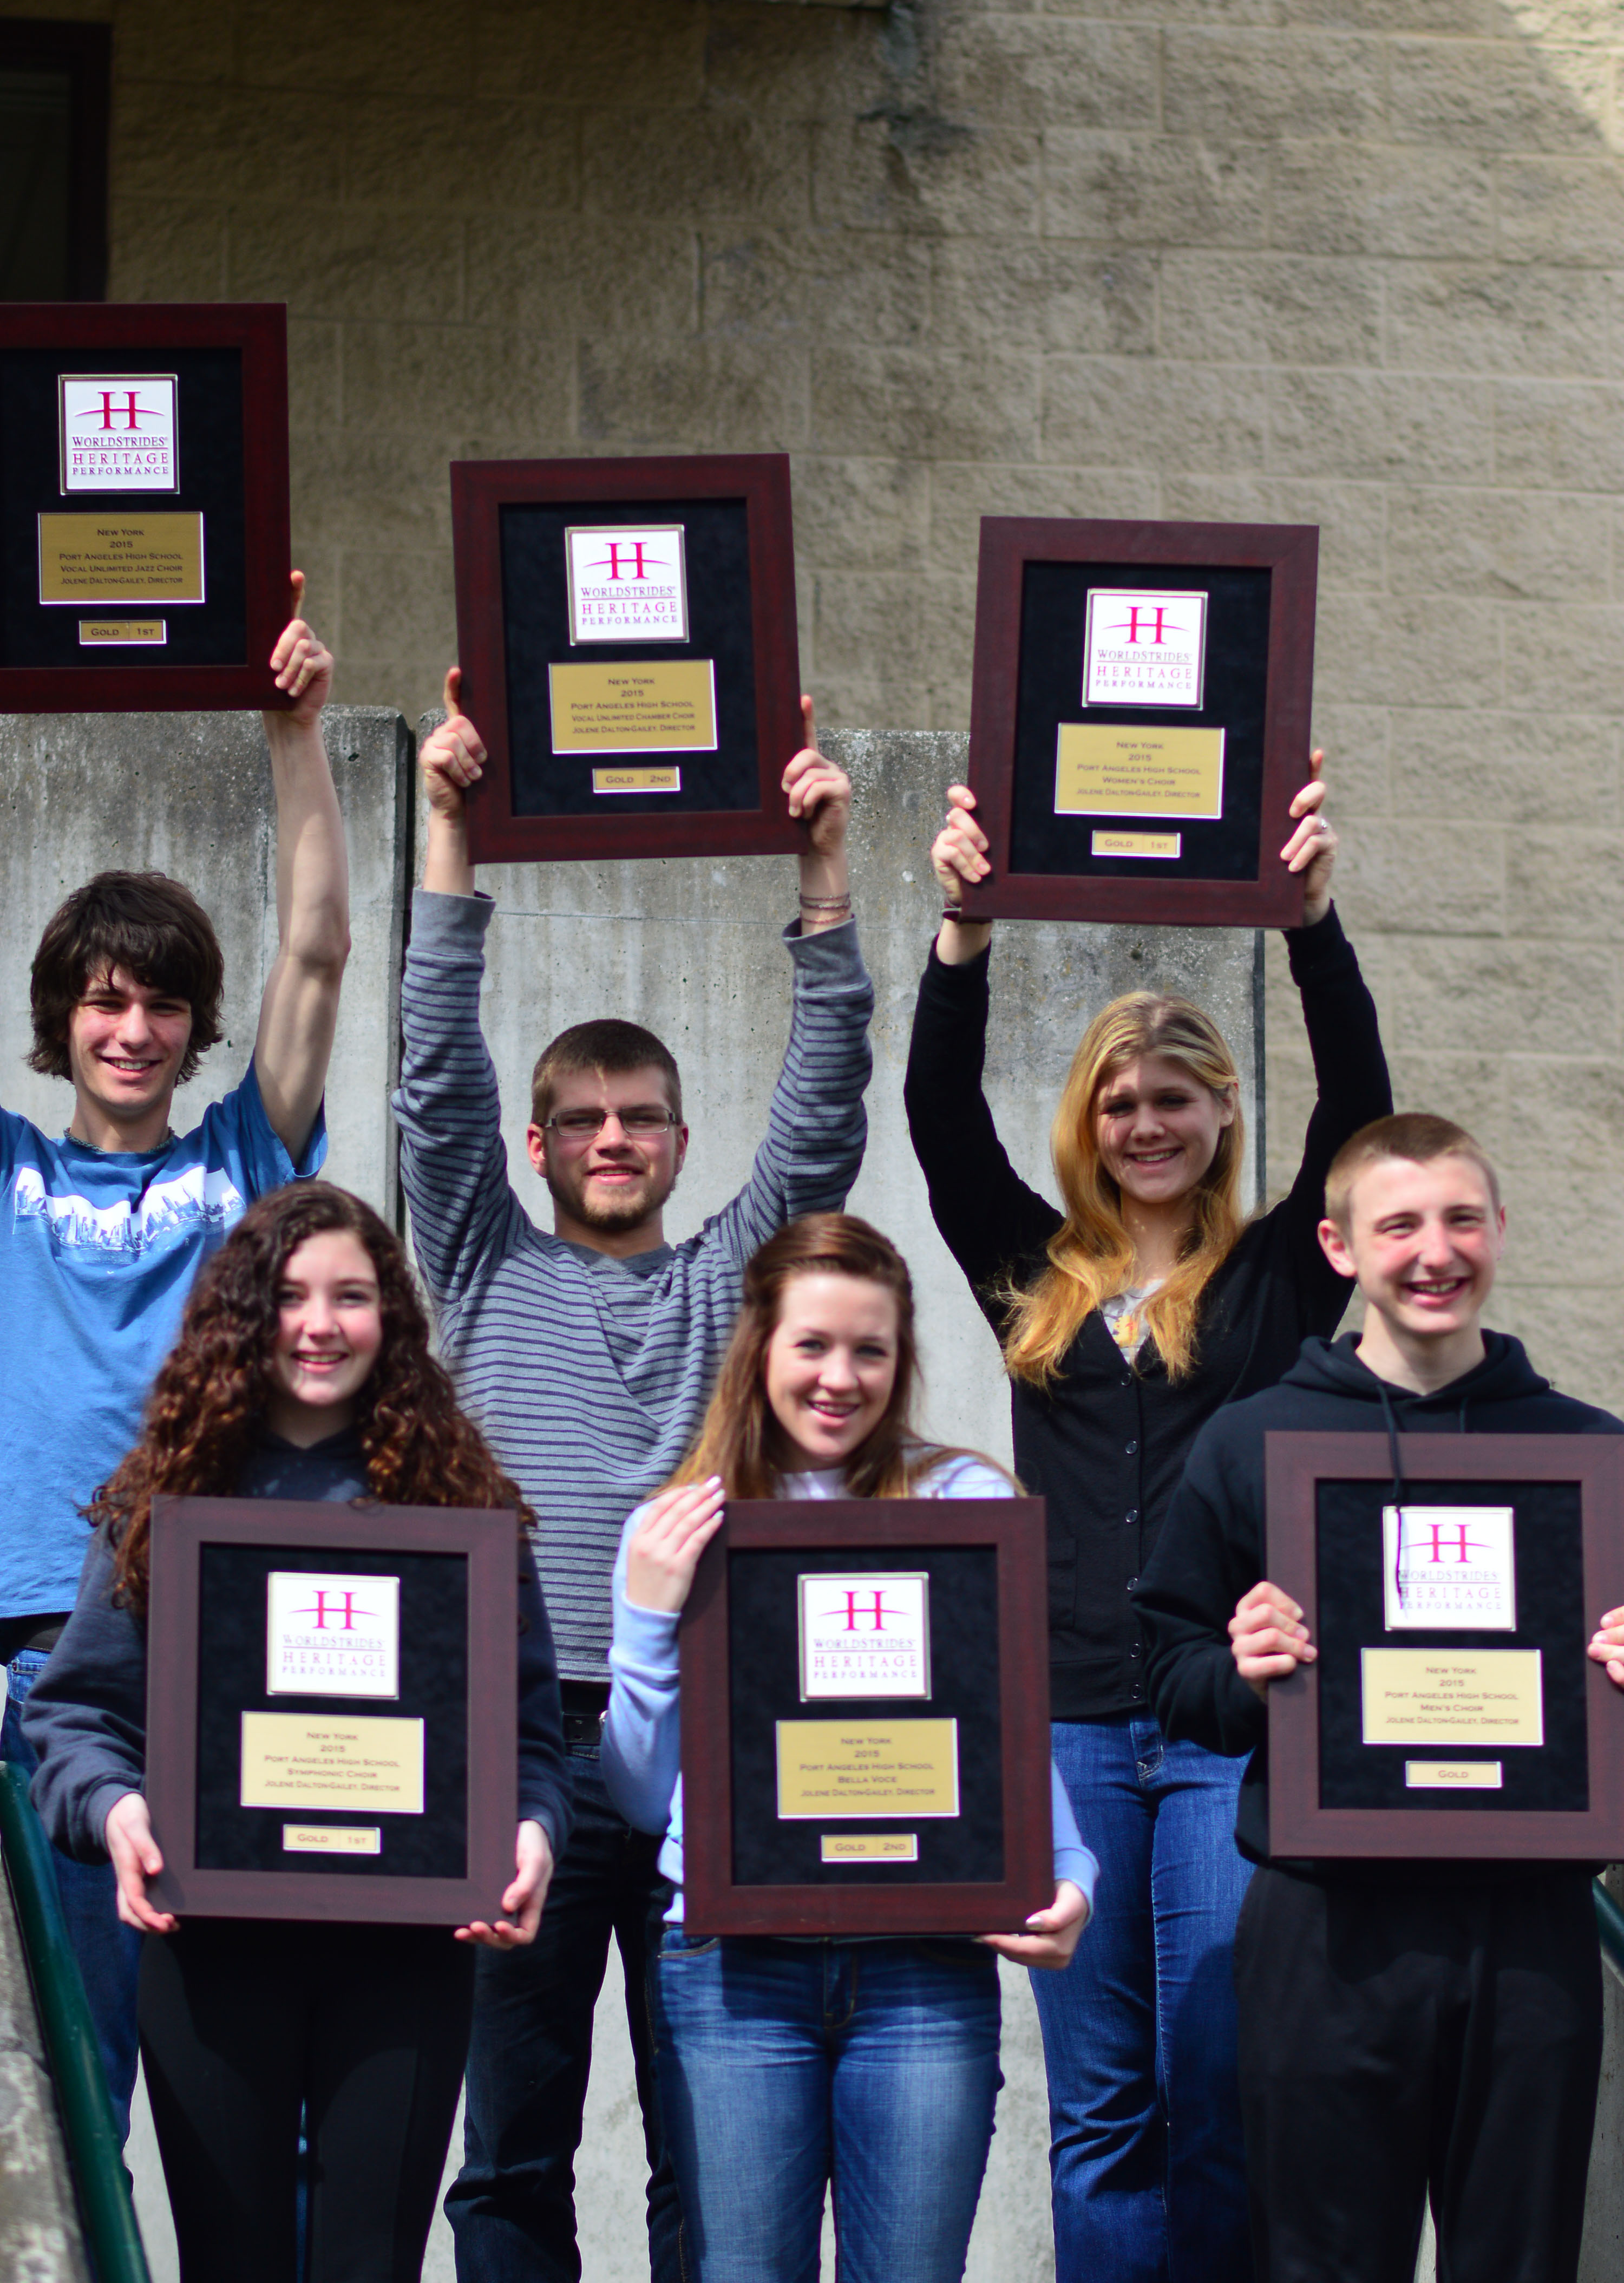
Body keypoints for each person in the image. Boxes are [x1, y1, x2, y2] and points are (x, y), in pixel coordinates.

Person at [396, 668, 874, 2282]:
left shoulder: (735, 1279)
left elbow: (821, 1115)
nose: (615, 1138)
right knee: (511, 2157)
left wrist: (824, 870)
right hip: (514, 1746)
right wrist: (450, 832)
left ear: (679, 1142)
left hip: (700, 1752)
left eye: (644, 1119)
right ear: (538, 1148)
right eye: (585, 1119)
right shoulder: (479, 1260)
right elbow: (435, 1075)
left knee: (712, 2156)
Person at [903, 757, 1390, 2283]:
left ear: (1222, 1112)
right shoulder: (1032, 1275)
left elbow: (1361, 1110)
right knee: (1103, 2108)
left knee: (1218, 2085)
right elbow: (937, 1118)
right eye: (1117, 1101)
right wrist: (962, 931)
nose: (1143, 1124)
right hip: (1064, 1729)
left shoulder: (1276, 1280)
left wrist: (1311, 926)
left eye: (1172, 1098)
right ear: (1088, 1120)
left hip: (1222, 1723)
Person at [24, 1181, 572, 2283]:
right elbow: (78, 1716)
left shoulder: (462, 1508)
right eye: (288, 1296)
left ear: (392, 1317)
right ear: (243, 1313)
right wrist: (116, 1810)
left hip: (407, 1957)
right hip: (213, 1950)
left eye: (351, 1296)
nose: (320, 1325)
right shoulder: (164, 1499)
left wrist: (532, 1832)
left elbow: (526, 1740)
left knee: (371, 2267)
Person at [1136, 1111, 1624, 2283]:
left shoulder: (1592, 1457)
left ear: (1500, 1228)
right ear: (1340, 1247)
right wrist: (1244, 1673)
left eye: (1461, 1220)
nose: (1434, 1252)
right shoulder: (1253, 1442)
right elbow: (1168, 1670)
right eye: (1399, 1225)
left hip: (1531, 1929)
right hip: (1327, 1925)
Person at [0, 573, 348, 2136]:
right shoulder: (8, 1168)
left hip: (228, 1637)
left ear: (197, 1024)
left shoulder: (241, 1162)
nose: (132, 1029)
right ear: (60, 1022)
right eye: (103, 1003)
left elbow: (319, 957)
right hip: (39, 1658)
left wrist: (295, 733)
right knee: (67, 2087)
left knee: (240, 2100)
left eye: (161, 1004)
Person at [600, 1211, 1098, 2283]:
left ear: (902, 1358)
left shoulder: (964, 1502)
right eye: (813, 1345)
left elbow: (1007, 1735)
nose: (840, 1377)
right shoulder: (679, 1527)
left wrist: (1071, 1874)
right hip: (735, 1972)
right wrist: (645, 1620)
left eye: (870, 1350)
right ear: (759, 1348)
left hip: (925, 1968)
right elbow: (642, 1800)